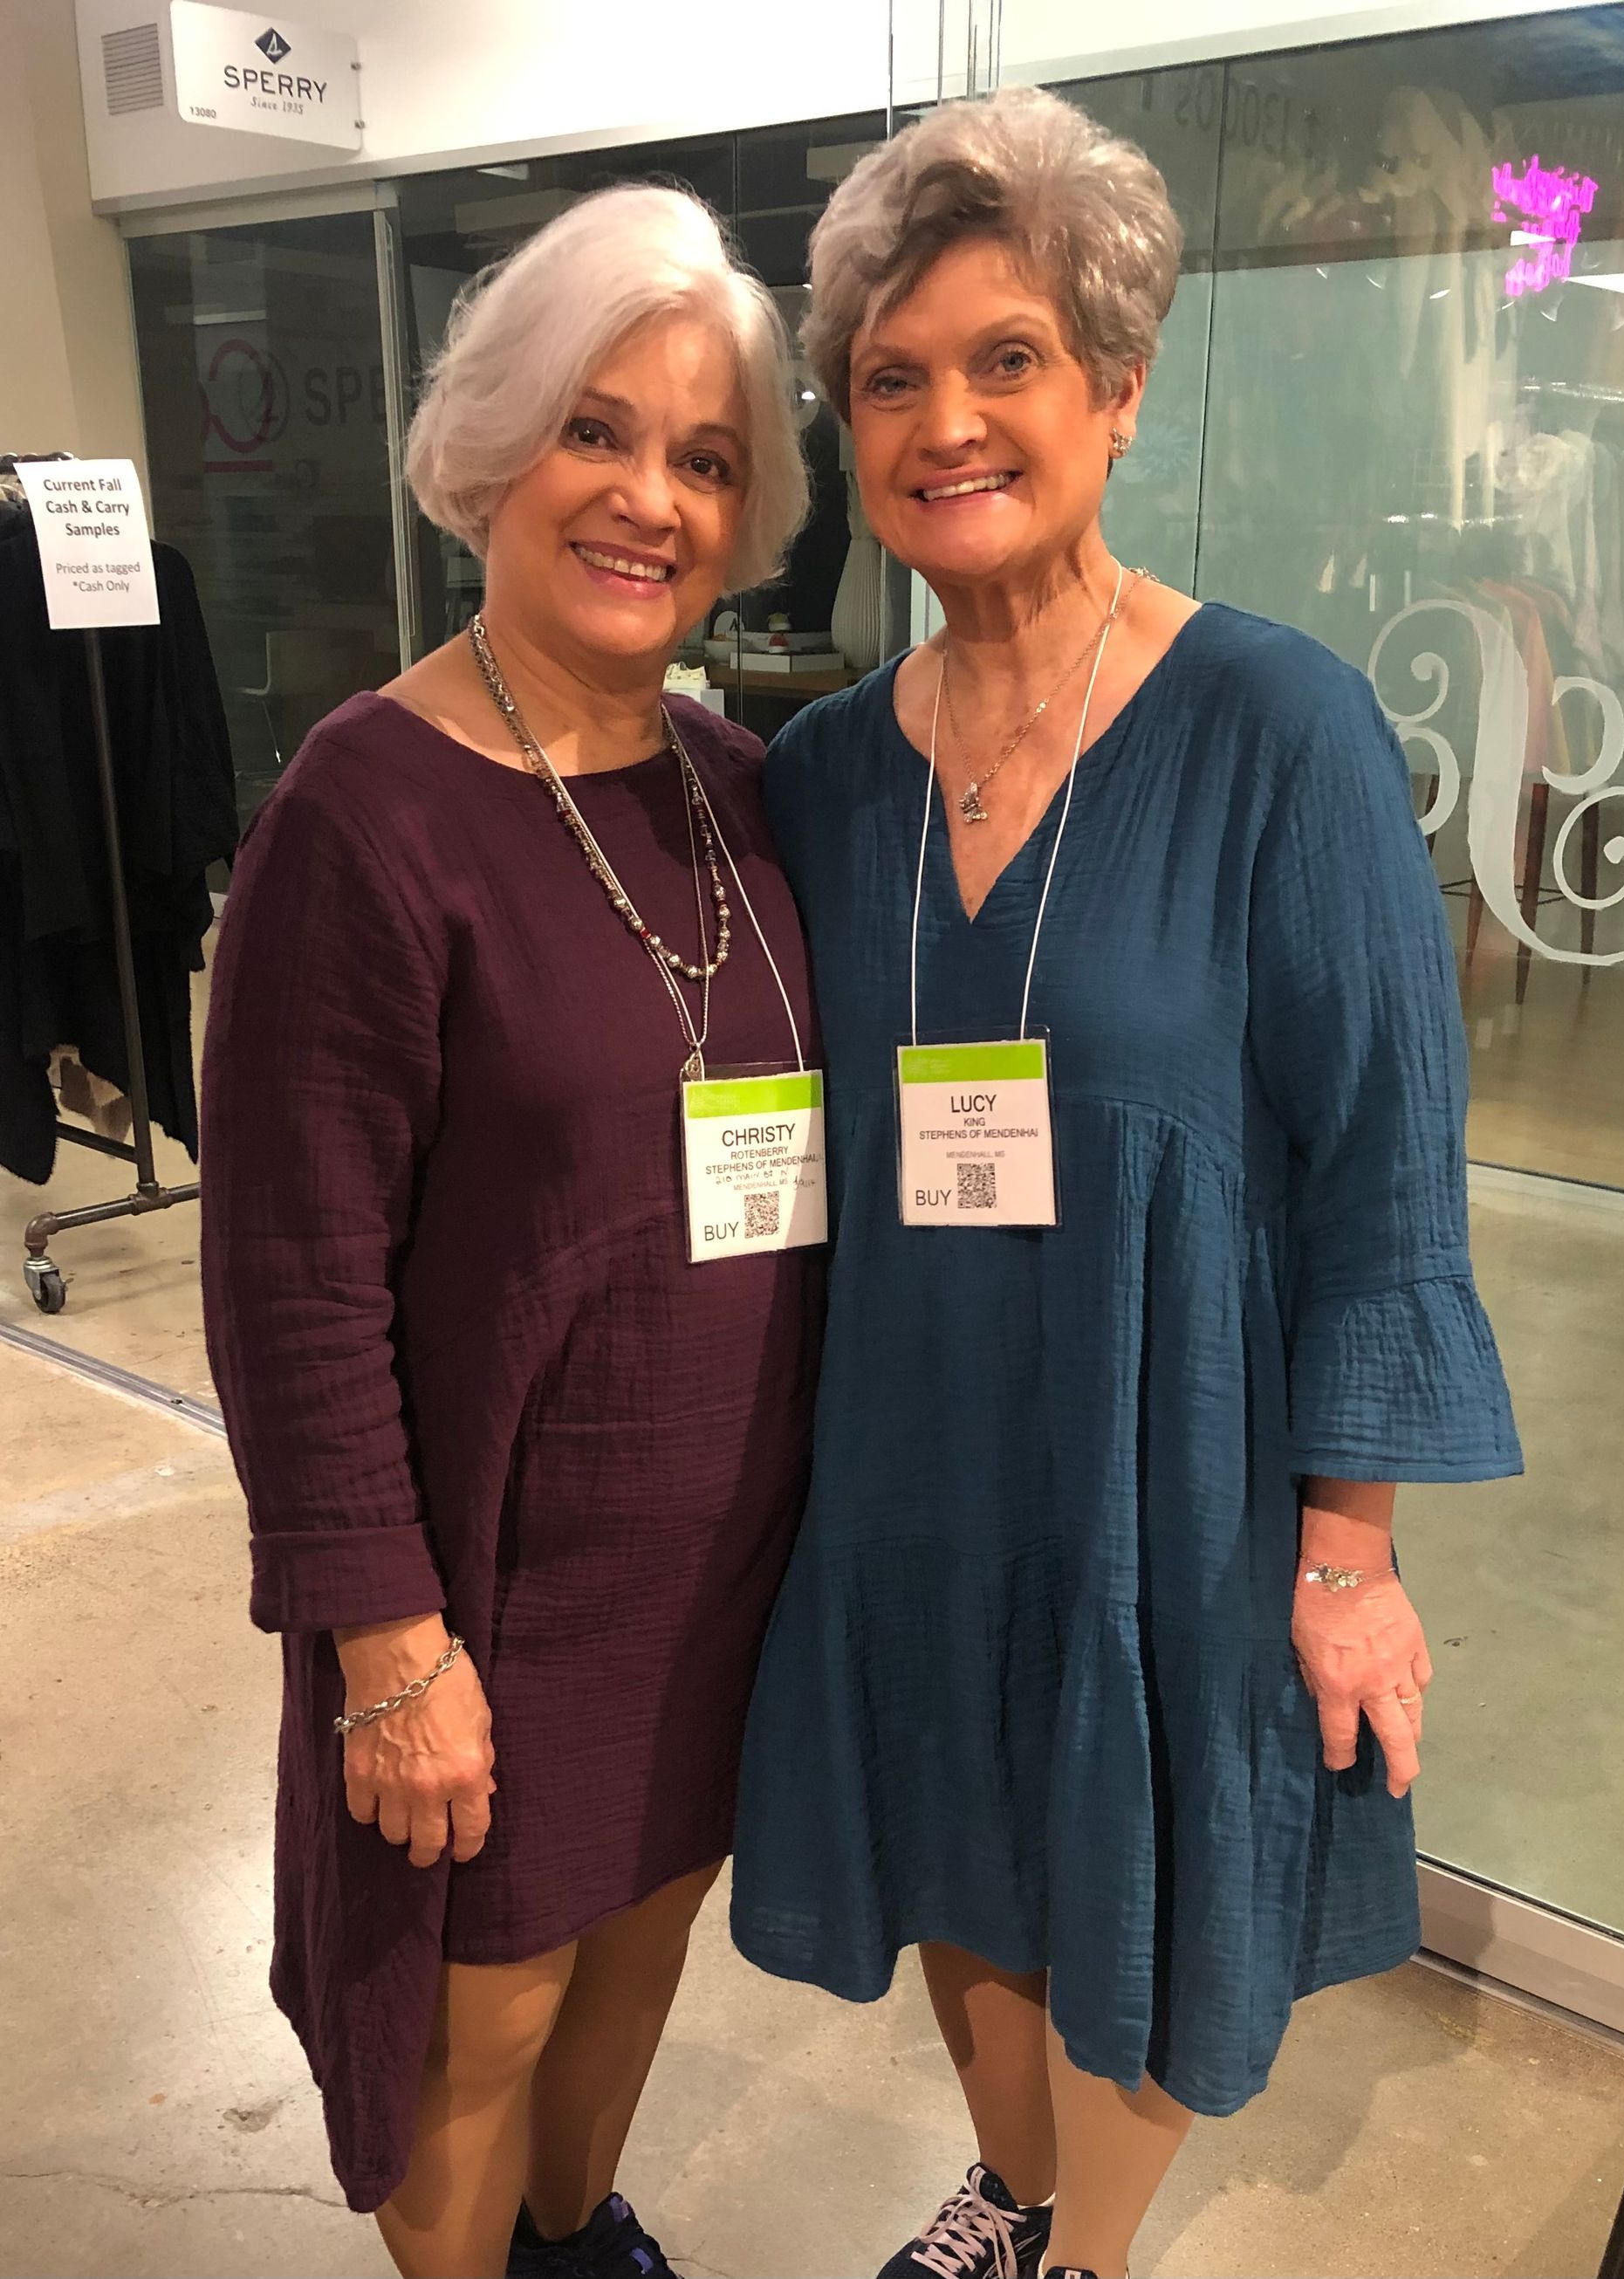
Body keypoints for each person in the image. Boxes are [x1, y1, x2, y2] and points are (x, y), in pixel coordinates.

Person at [729, 88, 1522, 2279]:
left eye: (1008, 361)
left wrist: (1348, 1550)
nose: (948, 420)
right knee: (961, 1846)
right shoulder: (817, 775)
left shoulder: (1285, 729)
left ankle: (1087, 2258)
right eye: (892, 376)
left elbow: (1383, 1166)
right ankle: (1022, 2188)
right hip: (905, 1449)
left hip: (1169, 1460)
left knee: (1152, 1874)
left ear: (1118, 386)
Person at [201, 183, 820, 2279]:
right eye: (597, 430)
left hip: (716, 1558)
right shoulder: (363, 812)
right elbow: (291, 1283)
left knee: (638, 1946)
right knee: (483, 2010)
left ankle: (579, 2237)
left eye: (706, 455)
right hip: (491, 1592)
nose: (649, 495)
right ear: (492, 444)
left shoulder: (739, 788)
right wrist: (384, 1641)